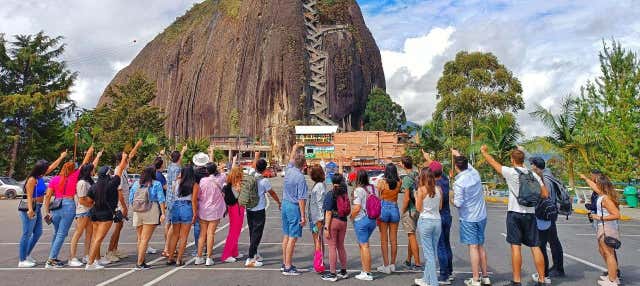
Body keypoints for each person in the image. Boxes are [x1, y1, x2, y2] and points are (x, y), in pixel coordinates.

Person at [481, 145, 547, 286]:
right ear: (523, 160)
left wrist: (484, 152)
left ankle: (516, 281)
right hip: (530, 214)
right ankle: (542, 279)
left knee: (515, 247)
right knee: (536, 247)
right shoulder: (533, 174)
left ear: (512, 160)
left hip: (514, 213)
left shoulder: (510, 172)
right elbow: (545, 194)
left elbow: (493, 163)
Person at [43, 146, 95, 268]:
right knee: (62, 233)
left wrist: (46, 211)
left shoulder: (54, 179)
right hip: (68, 204)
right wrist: (90, 151)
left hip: (56, 205)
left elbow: (48, 196)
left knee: (57, 233)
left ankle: (53, 256)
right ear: (73, 170)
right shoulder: (74, 177)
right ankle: (51, 260)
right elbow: (84, 163)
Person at [18, 151, 66, 268]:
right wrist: (30, 210)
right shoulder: (32, 179)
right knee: (26, 233)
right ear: (41, 169)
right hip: (30, 208)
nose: (47, 170)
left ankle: (27, 254)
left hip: (37, 207)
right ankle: (22, 259)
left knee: (38, 232)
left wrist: (61, 157)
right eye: (45, 168)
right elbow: (29, 195)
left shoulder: (40, 177)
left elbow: (53, 166)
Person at [450, 149, 490, 286]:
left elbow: (458, 204)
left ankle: (475, 279)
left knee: (473, 247)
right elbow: (466, 164)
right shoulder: (475, 173)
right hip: (481, 215)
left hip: (469, 218)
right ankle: (485, 276)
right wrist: (457, 153)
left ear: (456, 167)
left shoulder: (459, 183)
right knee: (480, 246)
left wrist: (451, 199)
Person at [85, 152, 128, 270]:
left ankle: (96, 260)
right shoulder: (112, 184)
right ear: (108, 174)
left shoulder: (94, 186)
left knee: (95, 238)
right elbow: (119, 171)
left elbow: (88, 201)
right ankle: (90, 262)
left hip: (95, 213)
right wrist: (124, 158)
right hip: (106, 215)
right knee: (98, 239)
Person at [580, 173, 621, 286]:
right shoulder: (603, 195)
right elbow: (593, 186)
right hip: (602, 226)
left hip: (607, 227)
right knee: (603, 251)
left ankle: (613, 280)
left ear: (601, 185)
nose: (595, 184)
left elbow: (617, 215)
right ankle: (612, 276)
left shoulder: (606, 199)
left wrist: (599, 217)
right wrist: (585, 179)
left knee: (609, 253)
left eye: (597, 182)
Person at [106, 139, 143, 261]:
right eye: (125, 158)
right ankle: (110, 251)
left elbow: (131, 155)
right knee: (117, 227)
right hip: (120, 203)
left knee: (120, 227)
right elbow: (119, 191)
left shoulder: (123, 168)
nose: (128, 159)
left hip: (124, 203)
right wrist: (124, 207)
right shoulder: (118, 171)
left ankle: (115, 249)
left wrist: (137, 145)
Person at [529, 157, 563, 283]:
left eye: (531, 164)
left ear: (536, 166)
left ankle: (549, 271)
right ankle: (557, 268)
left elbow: (545, 196)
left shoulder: (545, 179)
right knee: (554, 242)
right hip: (550, 214)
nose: (530, 166)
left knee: (543, 244)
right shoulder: (549, 176)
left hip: (545, 215)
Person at [245, 152, 282, 267]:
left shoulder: (251, 174)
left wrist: (256, 155)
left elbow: (252, 166)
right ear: (265, 169)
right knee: (257, 233)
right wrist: (279, 202)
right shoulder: (264, 181)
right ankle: (250, 258)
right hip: (259, 209)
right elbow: (272, 193)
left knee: (252, 232)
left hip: (249, 208)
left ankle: (255, 253)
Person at [68, 149, 104, 267]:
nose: (94, 170)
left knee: (89, 234)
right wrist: (93, 205)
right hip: (83, 211)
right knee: (78, 233)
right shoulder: (82, 183)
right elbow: (82, 200)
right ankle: (72, 257)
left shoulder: (89, 181)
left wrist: (98, 156)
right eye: (93, 169)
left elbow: (93, 164)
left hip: (89, 211)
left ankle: (87, 254)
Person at [128, 166, 167, 270]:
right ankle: (140, 263)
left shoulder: (136, 183)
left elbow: (131, 198)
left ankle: (142, 260)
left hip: (137, 210)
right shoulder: (156, 184)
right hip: (151, 209)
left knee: (140, 238)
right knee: (145, 239)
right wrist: (163, 213)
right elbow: (161, 199)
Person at [281, 143, 309, 276]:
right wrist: (303, 216)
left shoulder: (289, 169)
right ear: (304, 165)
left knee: (286, 235)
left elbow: (291, 158)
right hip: (293, 207)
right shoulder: (300, 178)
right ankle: (288, 267)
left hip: (285, 204)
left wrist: (294, 148)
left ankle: (285, 262)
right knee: (292, 237)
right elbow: (301, 199)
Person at [413, 167, 442, 286]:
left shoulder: (421, 190)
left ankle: (433, 282)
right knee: (432, 252)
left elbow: (418, 208)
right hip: (437, 221)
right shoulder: (439, 189)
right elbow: (440, 207)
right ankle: (426, 279)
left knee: (428, 255)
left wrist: (416, 197)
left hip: (425, 221)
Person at [194, 162, 227, 266]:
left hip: (203, 209)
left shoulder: (203, 180)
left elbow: (199, 194)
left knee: (202, 234)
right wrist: (221, 168)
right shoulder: (220, 178)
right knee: (211, 233)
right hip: (215, 210)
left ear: (206, 171)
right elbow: (223, 174)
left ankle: (198, 257)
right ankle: (209, 257)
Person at [166, 165, 199, 266]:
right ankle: (179, 259)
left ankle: (170, 257)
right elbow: (194, 200)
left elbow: (172, 192)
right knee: (184, 236)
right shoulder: (194, 184)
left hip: (176, 206)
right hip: (187, 206)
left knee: (175, 235)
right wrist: (194, 213)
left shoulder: (176, 182)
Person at [320, 173, 349, 282]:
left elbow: (328, 212)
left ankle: (333, 273)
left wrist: (326, 228)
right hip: (343, 221)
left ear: (332, 182)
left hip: (333, 221)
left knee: (332, 247)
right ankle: (343, 271)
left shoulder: (331, 193)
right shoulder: (344, 193)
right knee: (340, 246)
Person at [351, 170, 377, 281]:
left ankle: (367, 272)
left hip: (362, 219)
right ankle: (365, 270)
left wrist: (351, 217)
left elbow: (357, 208)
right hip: (372, 219)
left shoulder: (358, 190)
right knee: (363, 244)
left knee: (364, 245)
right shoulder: (372, 188)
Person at [376, 163, 402, 274]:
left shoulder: (382, 182)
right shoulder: (399, 182)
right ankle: (392, 264)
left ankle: (386, 265)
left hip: (384, 208)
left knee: (384, 239)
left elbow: (378, 196)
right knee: (394, 239)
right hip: (394, 208)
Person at [162, 145, 188, 258]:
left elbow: (177, 161)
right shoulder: (177, 169)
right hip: (174, 198)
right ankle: (168, 248)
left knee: (169, 224)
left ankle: (167, 247)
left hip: (168, 197)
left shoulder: (170, 166)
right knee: (173, 226)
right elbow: (176, 184)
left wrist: (182, 151)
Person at [399, 156, 422, 271]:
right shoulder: (417, 175)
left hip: (410, 210)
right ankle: (408, 260)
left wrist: (402, 211)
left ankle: (417, 263)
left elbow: (406, 198)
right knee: (411, 234)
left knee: (412, 236)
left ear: (403, 165)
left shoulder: (407, 179)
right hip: (417, 208)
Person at [221, 165, 245, 263]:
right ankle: (226, 255)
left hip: (233, 208)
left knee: (235, 231)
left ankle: (234, 252)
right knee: (234, 232)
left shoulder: (229, 184)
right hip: (237, 208)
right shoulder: (237, 185)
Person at [307, 164, 326, 272]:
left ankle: (319, 264)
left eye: (311, 171)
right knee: (318, 239)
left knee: (317, 240)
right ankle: (320, 260)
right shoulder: (319, 185)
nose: (309, 173)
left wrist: (320, 220)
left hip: (317, 219)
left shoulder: (319, 186)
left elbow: (320, 203)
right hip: (315, 218)